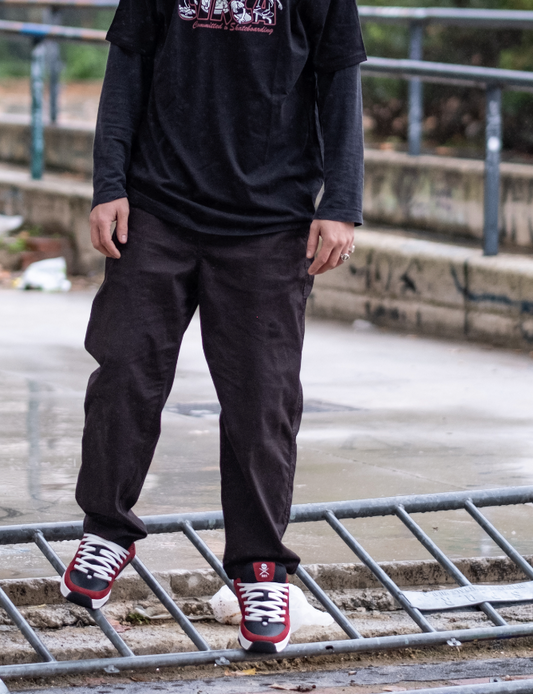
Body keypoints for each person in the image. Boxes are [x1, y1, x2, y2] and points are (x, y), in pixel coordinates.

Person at [60, 0, 366, 654]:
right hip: (156, 207)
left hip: (271, 220)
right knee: (124, 367)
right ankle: (106, 530)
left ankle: (260, 568)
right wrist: (108, 184)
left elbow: (339, 79)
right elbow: (127, 67)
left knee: (262, 398)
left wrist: (341, 202)